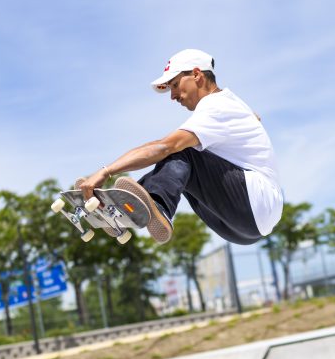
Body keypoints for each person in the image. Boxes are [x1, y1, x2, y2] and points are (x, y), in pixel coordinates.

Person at [78, 49, 283, 245]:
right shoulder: (229, 103)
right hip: (243, 227)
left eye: (175, 85)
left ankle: (157, 204)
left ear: (196, 75)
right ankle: (125, 207)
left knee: (180, 150)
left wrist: (106, 171)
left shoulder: (217, 106)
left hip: (254, 206)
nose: (173, 96)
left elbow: (165, 146)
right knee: (179, 172)